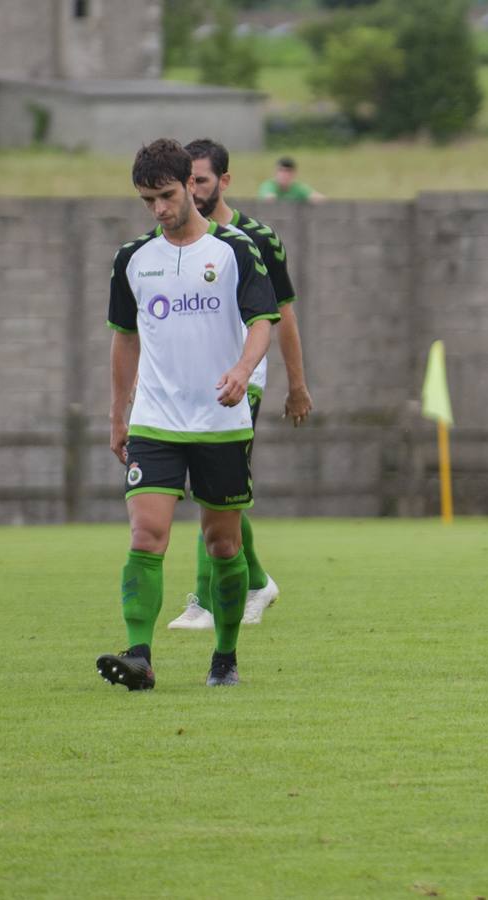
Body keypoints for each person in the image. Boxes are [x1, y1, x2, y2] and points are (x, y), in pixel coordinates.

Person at [97, 138, 280, 690]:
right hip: (155, 420)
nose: (159, 209)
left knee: (222, 544)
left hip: (220, 421)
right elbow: (124, 339)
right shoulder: (132, 259)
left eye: (167, 195)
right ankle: (139, 656)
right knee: (146, 535)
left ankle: (224, 658)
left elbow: (264, 320)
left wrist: (243, 371)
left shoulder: (234, 249)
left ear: (190, 186)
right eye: (147, 199)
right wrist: (118, 414)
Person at [164, 137, 314, 632]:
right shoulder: (170, 242)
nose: (190, 191)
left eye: (200, 181)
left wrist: (297, 384)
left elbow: (282, 315)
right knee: (214, 491)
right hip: (189, 385)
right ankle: (257, 581)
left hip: (242, 382)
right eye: (184, 181)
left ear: (223, 181)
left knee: (214, 490)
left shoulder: (255, 238)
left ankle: (207, 602)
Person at [256, 156, 324, 204]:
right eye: (281, 170)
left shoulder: (298, 187)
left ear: (294, 173)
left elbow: (319, 198)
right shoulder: (268, 185)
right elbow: (269, 200)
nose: (284, 174)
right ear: (275, 172)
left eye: (288, 171)